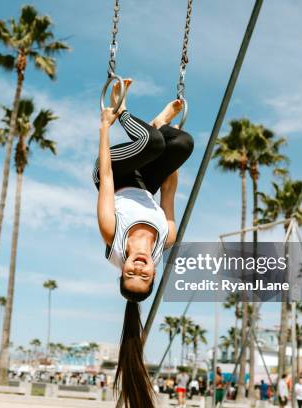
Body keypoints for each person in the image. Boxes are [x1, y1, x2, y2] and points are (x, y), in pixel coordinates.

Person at [95, 79, 194, 408]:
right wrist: (173, 157)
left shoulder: (112, 233)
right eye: (145, 275)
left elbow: (107, 177)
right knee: (181, 143)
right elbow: (168, 191)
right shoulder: (167, 237)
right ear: (153, 271)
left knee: (151, 144)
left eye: (129, 274)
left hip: (113, 172)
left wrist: (105, 126)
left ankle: (124, 112)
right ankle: (158, 127)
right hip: (146, 183)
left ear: (120, 269)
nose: (138, 267)